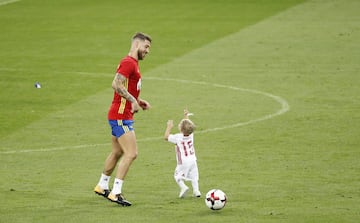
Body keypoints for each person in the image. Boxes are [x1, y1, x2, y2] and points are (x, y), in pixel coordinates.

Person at [94, 32, 152, 206]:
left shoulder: (132, 63)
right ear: (136, 45)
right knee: (131, 153)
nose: (148, 51)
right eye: (146, 46)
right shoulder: (128, 63)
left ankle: (102, 185)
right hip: (120, 117)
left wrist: (138, 101)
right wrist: (133, 100)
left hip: (120, 115)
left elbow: (126, 88)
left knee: (118, 152)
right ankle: (116, 192)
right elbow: (116, 84)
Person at [164, 109, 201, 198]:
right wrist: (186, 116)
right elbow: (188, 125)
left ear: (181, 129)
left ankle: (183, 187)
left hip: (183, 161)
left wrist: (169, 127)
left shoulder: (178, 137)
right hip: (193, 159)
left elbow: (166, 137)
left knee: (177, 176)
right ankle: (196, 191)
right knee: (194, 176)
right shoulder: (191, 134)